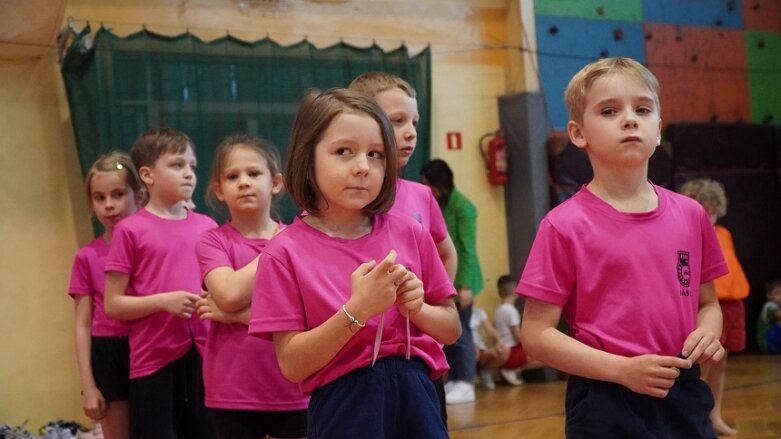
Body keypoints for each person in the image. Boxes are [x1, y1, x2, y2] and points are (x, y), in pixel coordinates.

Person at [517, 57, 727, 438]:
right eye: (610, 110)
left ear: (658, 130)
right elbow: (535, 333)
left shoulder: (692, 215)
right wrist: (621, 370)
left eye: (642, 109)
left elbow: (707, 304)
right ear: (579, 134)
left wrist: (708, 332)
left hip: (682, 390)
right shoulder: (563, 226)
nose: (630, 119)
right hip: (605, 398)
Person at [248, 88, 461, 438]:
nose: (363, 167)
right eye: (344, 151)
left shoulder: (412, 233)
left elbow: (451, 328)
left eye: (375, 154)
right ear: (307, 157)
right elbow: (292, 363)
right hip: (344, 403)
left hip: (418, 395)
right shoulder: (284, 252)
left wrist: (416, 308)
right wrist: (357, 310)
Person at [349, 71, 458, 421]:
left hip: (418, 358)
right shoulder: (341, 200)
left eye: (414, 121)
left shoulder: (420, 195)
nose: (411, 131)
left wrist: (430, 305)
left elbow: (445, 252)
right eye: (397, 121)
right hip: (357, 361)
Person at [104, 128, 218, 439]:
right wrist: (162, 301)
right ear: (147, 175)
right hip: (153, 362)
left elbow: (221, 287)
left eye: (192, 166)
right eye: (177, 165)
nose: (189, 174)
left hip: (207, 359)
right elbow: (112, 303)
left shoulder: (208, 226)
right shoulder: (130, 230)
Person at [193, 135, 309, 439]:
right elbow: (229, 294)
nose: (243, 182)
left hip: (293, 385)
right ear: (219, 189)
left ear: (276, 182)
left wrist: (236, 317)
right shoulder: (212, 241)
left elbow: (306, 316)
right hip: (233, 389)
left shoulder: (299, 241)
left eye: (254, 173)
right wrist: (284, 244)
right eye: (232, 176)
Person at [68, 152, 143, 439]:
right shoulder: (86, 256)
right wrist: (89, 385)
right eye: (100, 198)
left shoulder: (152, 245)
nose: (109, 205)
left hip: (150, 344)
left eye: (118, 194)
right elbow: (82, 324)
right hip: (109, 352)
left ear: (139, 195)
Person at [679, 177, 750, 436]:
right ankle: (694, 420)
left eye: (713, 210)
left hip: (732, 305)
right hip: (707, 308)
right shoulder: (685, 235)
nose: (711, 215)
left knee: (720, 365)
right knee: (700, 367)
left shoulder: (724, 234)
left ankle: (715, 414)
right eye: (705, 209)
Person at [421, 158, 484, 404]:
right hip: (446, 278)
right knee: (449, 335)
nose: (429, 189)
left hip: (462, 279)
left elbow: (467, 249)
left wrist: (465, 286)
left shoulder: (463, 207)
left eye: (431, 184)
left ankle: (466, 381)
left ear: (442, 183)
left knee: (463, 332)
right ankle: (456, 380)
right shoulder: (441, 204)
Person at [493, 275, 544, 386]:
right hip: (512, 352)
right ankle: (514, 370)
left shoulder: (498, 310)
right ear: (515, 290)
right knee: (544, 358)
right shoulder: (511, 311)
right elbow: (517, 337)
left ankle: (511, 370)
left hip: (504, 350)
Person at [470, 306, 507, 390]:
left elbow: (490, 329)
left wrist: (499, 340)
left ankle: (485, 372)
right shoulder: (456, 312)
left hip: (480, 348)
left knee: (501, 352)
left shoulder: (478, 312)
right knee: (471, 352)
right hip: (466, 348)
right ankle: (469, 375)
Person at [758, 279, 781, 354]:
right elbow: (778, 315)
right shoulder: (769, 306)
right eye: (778, 293)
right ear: (769, 295)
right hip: (767, 342)